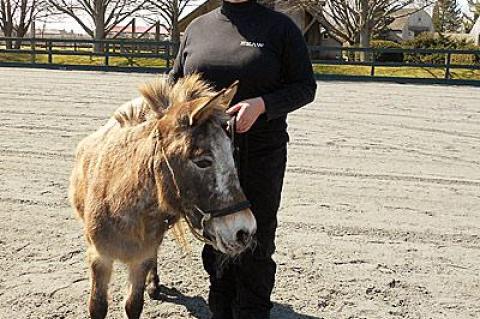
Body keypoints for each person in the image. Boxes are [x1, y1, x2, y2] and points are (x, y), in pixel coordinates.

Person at [169, 1, 317, 318]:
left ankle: (252, 310)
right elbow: (174, 82)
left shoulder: (280, 28)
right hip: (208, 160)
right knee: (215, 236)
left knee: (256, 240)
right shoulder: (198, 27)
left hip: (260, 154)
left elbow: (305, 87)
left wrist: (262, 105)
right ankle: (220, 307)